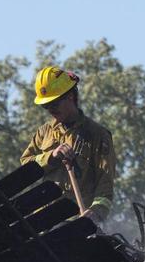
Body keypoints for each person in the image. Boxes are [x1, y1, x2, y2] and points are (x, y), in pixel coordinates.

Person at [20, 66, 116, 225]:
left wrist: (95, 214)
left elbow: (105, 184)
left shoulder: (97, 135)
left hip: (74, 222)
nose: (50, 109)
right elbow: (25, 166)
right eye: (46, 105)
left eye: (54, 103)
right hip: (42, 221)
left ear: (70, 96)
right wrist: (51, 157)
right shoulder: (44, 132)